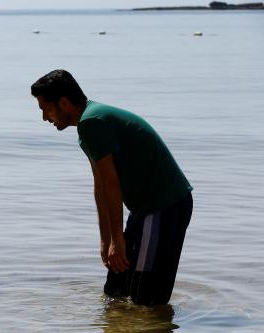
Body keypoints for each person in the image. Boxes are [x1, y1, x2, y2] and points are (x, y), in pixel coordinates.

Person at [30, 69, 193, 305]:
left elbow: (111, 184)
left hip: (163, 206)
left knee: (146, 296)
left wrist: (118, 240)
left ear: (64, 103)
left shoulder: (92, 123)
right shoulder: (88, 126)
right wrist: (106, 240)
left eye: (46, 108)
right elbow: (100, 187)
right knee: (117, 288)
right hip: (146, 210)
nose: (45, 117)